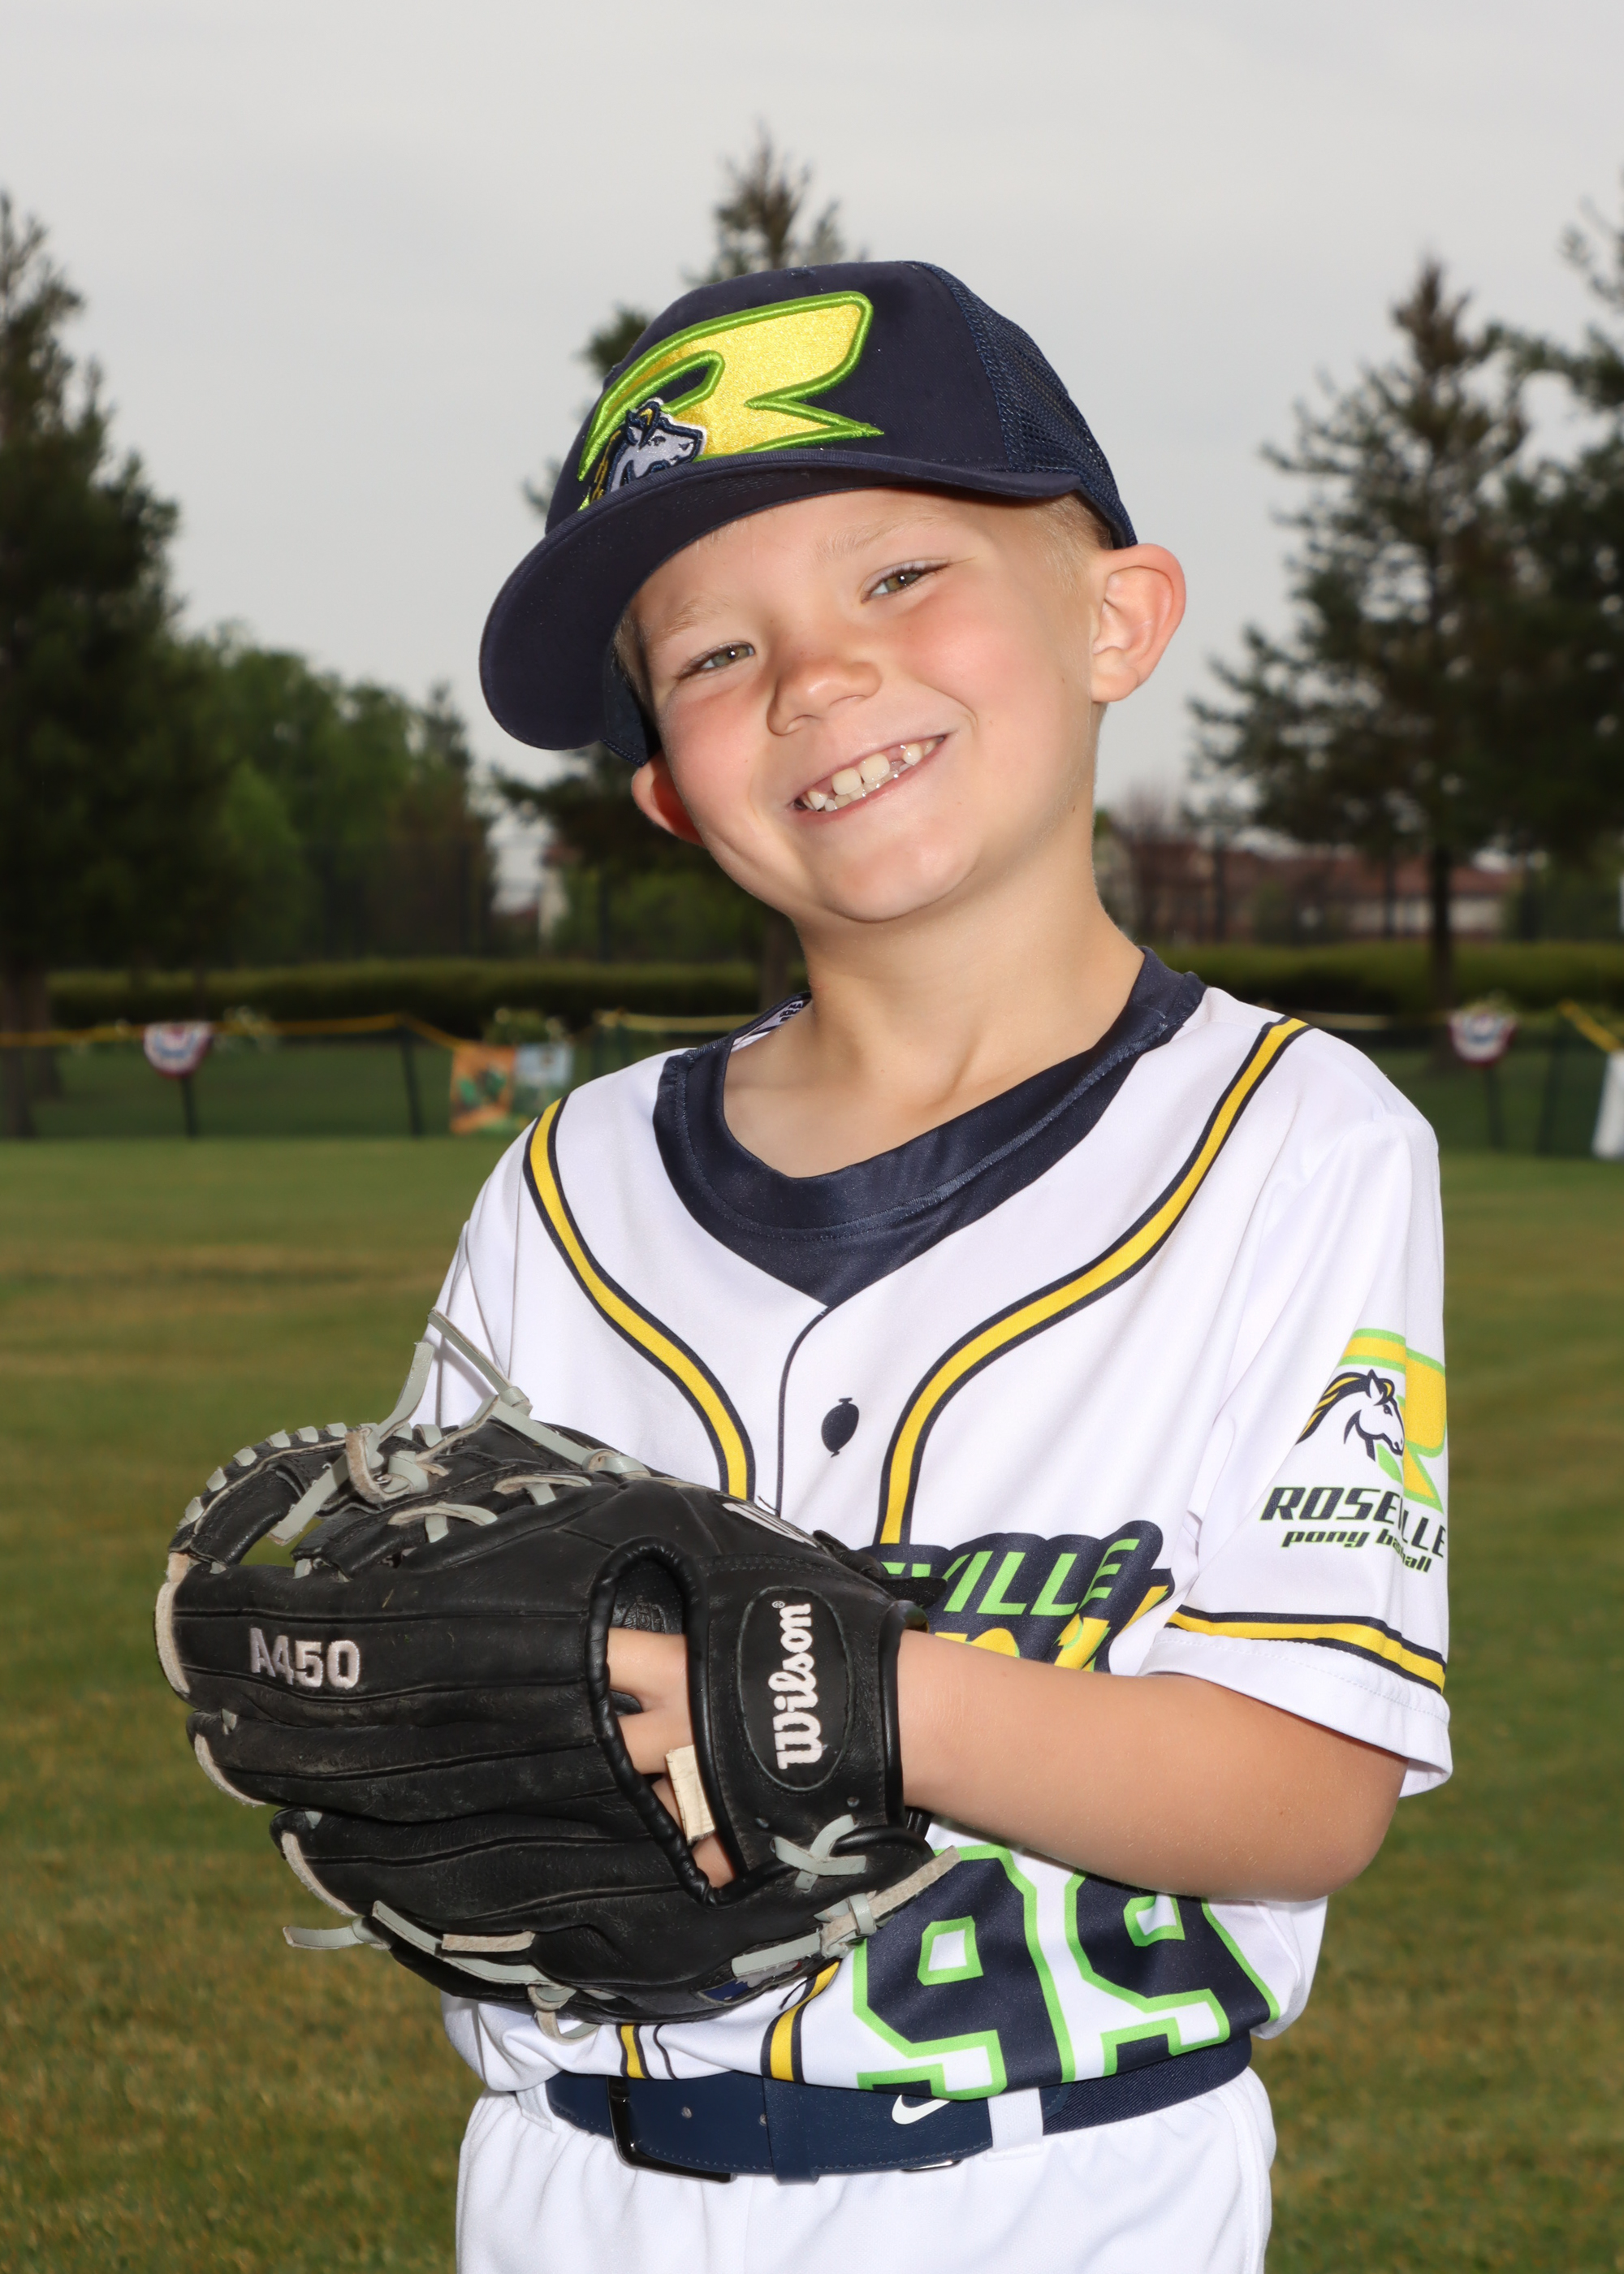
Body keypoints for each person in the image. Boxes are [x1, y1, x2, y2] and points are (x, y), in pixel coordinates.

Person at [421, 262, 1450, 2273]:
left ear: (1115, 615)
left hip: (1063, 2191)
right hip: (579, 2188)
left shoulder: (1294, 1140)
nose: (816, 677)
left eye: (900, 573)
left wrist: (835, 1692)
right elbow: (447, 1703)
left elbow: (1310, 1781)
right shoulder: (566, 1191)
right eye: (714, 651)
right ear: (666, 789)